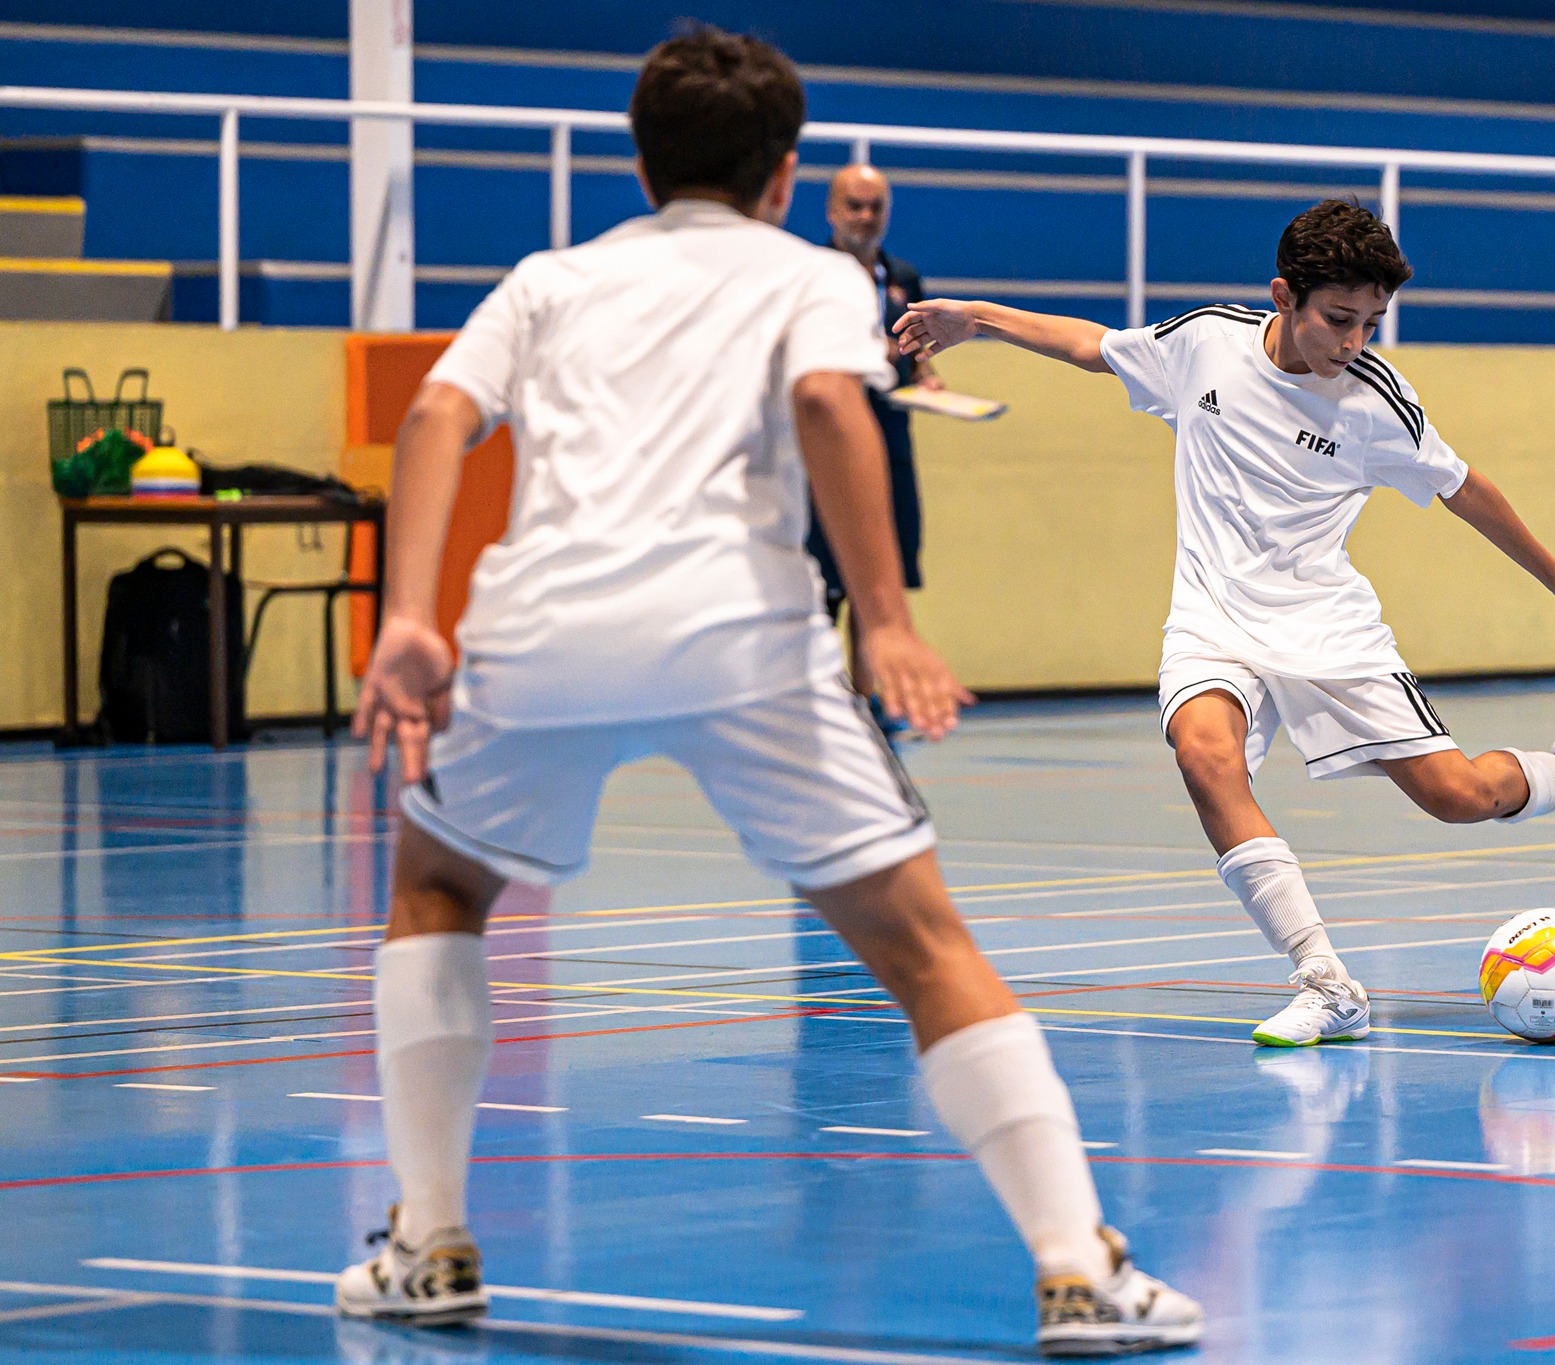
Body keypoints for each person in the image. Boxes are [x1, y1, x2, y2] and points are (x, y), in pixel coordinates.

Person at [337, 26, 1200, 1357]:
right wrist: (894, 622)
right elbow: (829, 409)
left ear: (639, 159)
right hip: (741, 636)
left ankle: (430, 1242)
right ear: (787, 174)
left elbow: (436, 420)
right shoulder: (812, 280)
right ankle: (1079, 1268)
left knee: (439, 890)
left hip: (541, 631)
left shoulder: (549, 279)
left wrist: (407, 619)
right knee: (922, 948)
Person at [895, 197, 1555, 1049]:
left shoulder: (1375, 401)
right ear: (1284, 296)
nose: (1354, 342)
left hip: (1326, 627)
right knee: (1206, 757)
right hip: (1212, 618)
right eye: (1339, 320)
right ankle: (1326, 981)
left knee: (1458, 796)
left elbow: (1467, 490)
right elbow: (1089, 346)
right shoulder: (1206, 341)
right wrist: (974, 320)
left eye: (1372, 323)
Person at [805, 163, 941, 742]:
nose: (864, 217)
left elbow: (921, 356)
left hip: (889, 449)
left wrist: (928, 377)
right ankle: (811, 704)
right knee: (819, 586)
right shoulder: (808, 277)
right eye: (853, 206)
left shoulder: (903, 277)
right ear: (831, 210)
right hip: (824, 456)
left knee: (876, 582)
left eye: (874, 207)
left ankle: (869, 706)